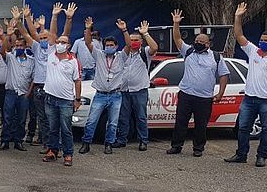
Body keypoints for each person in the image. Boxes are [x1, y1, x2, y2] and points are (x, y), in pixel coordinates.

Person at [225, 2, 267, 167]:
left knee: (266, 129)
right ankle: (241, 154)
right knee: (243, 127)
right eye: (261, 39)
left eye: (266, 40)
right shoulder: (253, 51)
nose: (262, 42)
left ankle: (261, 156)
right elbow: (239, 35)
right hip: (249, 98)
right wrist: (238, 17)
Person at [166, 9, 230, 157]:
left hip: (205, 98)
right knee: (180, 122)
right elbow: (177, 39)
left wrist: (220, 93)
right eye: (196, 41)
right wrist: (176, 24)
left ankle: (198, 148)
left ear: (208, 44)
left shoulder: (216, 57)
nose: (198, 44)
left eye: (201, 42)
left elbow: (224, 75)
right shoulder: (188, 51)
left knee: (201, 125)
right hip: (186, 94)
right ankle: (176, 146)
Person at [15, 3, 75, 154]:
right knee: (42, 119)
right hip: (38, 88)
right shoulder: (36, 48)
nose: (42, 39)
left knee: (55, 121)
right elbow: (27, 34)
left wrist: (63, 18)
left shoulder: (54, 49)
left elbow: (62, 34)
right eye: (40, 37)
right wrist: (23, 18)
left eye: (45, 37)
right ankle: (48, 145)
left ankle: (58, 146)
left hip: (51, 89)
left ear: (50, 39)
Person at [78, 17, 128, 155]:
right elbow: (88, 43)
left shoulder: (121, 57)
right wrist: (88, 28)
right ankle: (86, 143)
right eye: (107, 45)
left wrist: (124, 30)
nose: (109, 47)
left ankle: (109, 144)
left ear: (116, 46)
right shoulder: (99, 55)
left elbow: (129, 45)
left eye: (112, 45)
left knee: (113, 123)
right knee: (91, 121)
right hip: (100, 94)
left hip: (115, 95)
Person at [113, 20, 159, 151]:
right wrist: (124, 30)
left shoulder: (145, 53)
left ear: (141, 41)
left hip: (139, 91)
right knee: (123, 117)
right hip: (124, 91)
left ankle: (143, 140)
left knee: (141, 117)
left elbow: (155, 48)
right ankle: (122, 139)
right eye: (131, 39)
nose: (133, 42)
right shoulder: (124, 54)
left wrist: (145, 34)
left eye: (136, 40)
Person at [0, 11, 35, 151]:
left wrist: (28, 93)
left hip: (24, 94)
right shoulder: (11, 58)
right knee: (7, 118)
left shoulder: (31, 61)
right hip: (11, 93)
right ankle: (5, 141)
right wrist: (6, 35)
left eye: (20, 46)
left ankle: (19, 141)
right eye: (16, 46)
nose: (18, 48)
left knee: (21, 119)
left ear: (25, 47)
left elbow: (32, 79)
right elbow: (2, 51)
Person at [42, 34, 82, 166]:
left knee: (66, 129)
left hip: (66, 100)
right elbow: (52, 34)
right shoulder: (51, 55)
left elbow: (77, 81)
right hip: (50, 98)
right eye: (58, 41)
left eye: (63, 42)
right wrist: (54, 15)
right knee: (53, 128)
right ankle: (53, 151)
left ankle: (68, 154)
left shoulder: (73, 61)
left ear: (68, 45)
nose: (59, 44)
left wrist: (77, 99)